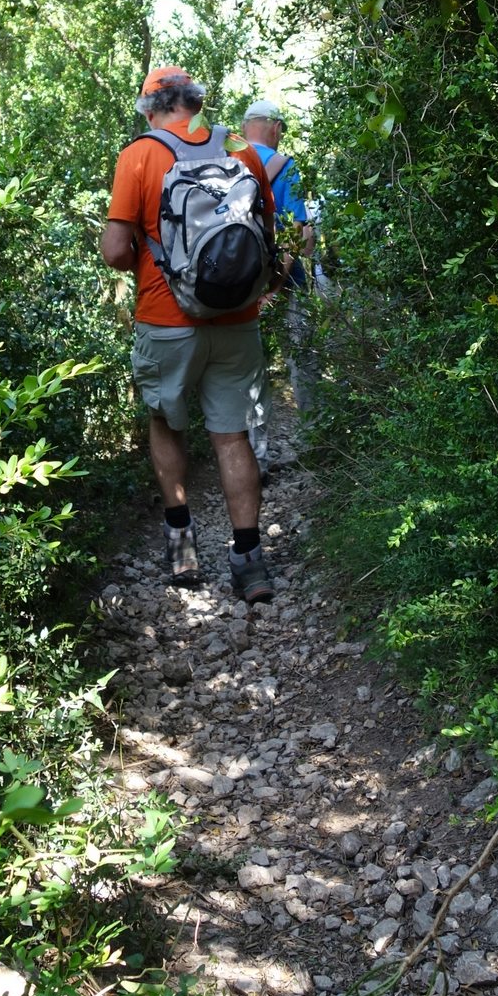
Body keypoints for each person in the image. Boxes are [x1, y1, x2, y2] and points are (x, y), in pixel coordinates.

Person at [100, 68, 278, 605]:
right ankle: (248, 561)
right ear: (196, 104)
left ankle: (182, 546)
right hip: (238, 320)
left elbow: (113, 250)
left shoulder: (139, 156)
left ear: (151, 108)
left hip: (166, 318)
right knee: (232, 435)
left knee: (166, 422)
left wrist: (153, 266)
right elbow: (263, 235)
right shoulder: (242, 150)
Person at [240, 100, 316, 474]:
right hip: (286, 284)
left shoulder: (226, 161)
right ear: (274, 127)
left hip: (235, 287)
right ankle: (317, 439)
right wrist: (276, 286)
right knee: (302, 356)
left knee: (247, 369)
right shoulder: (285, 166)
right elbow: (295, 233)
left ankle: (256, 457)